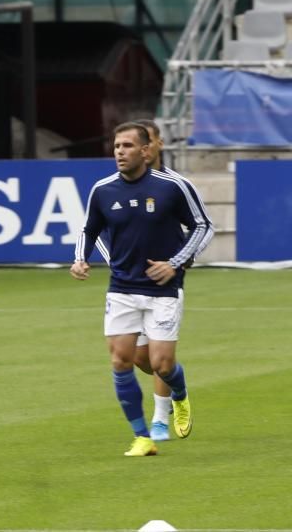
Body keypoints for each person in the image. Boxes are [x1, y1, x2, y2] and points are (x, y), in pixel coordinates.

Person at [72, 122, 210, 457]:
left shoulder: (172, 187)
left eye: (128, 146)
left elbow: (202, 226)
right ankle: (142, 437)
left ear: (146, 151)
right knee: (123, 360)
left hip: (163, 288)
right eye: (117, 146)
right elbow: (89, 230)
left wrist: (175, 262)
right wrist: (80, 259)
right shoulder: (102, 190)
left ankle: (178, 393)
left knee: (162, 366)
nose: (120, 152)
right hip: (121, 287)